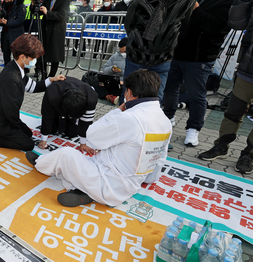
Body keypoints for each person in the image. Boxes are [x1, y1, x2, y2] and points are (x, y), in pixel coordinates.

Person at [26, 69, 172, 207]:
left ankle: (41, 164)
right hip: (130, 186)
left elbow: (92, 136)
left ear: (130, 92)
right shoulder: (165, 121)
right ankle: (84, 192)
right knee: (87, 160)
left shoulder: (129, 118)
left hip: (106, 183)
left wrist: (117, 111)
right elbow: (160, 160)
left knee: (66, 154)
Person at [163, 0, 239, 147]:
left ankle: (193, 129)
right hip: (179, 51)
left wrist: (195, 8)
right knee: (171, 88)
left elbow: (218, 26)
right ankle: (167, 119)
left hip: (201, 56)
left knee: (197, 94)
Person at [198, 0, 253, 174]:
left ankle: (248, 155)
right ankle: (221, 145)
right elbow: (237, 23)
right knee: (233, 111)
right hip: (249, 70)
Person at [122, 0, 197, 103]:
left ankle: (150, 125)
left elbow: (184, 23)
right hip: (137, 58)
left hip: (163, 58)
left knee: (156, 99)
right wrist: (140, 43)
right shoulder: (140, 0)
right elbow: (129, 26)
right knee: (129, 98)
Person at [0, 35, 65, 151]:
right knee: (28, 145)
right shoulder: (12, 78)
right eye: (34, 58)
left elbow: (33, 87)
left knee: (28, 134)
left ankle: (3, 133)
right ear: (22, 57)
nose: (35, 61)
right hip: (1, 123)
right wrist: (19, 127)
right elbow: (12, 113)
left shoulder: (16, 68)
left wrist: (52, 80)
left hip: (6, 118)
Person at [38, 76, 98, 153]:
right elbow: (47, 116)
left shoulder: (91, 97)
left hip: (73, 107)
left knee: (72, 133)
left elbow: (86, 121)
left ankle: (69, 120)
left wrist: (83, 143)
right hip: (58, 103)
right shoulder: (52, 94)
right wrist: (44, 140)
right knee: (51, 130)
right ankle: (59, 120)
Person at [41, 0, 69, 78]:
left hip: (57, 30)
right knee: (42, 53)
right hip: (46, 29)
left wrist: (47, 12)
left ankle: (51, 75)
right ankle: (43, 75)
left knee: (55, 55)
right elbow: (40, 11)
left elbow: (62, 15)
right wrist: (34, 5)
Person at [0, 0, 26, 65]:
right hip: (5, 33)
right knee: (6, 54)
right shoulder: (4, 4)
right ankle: (7, 71)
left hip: (16, 34)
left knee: (17, 55)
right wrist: (1, 21)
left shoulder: (20, 5)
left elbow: (20, 20)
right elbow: (3, 15)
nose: (6, 1)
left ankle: (19, 72)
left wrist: (7, 22)